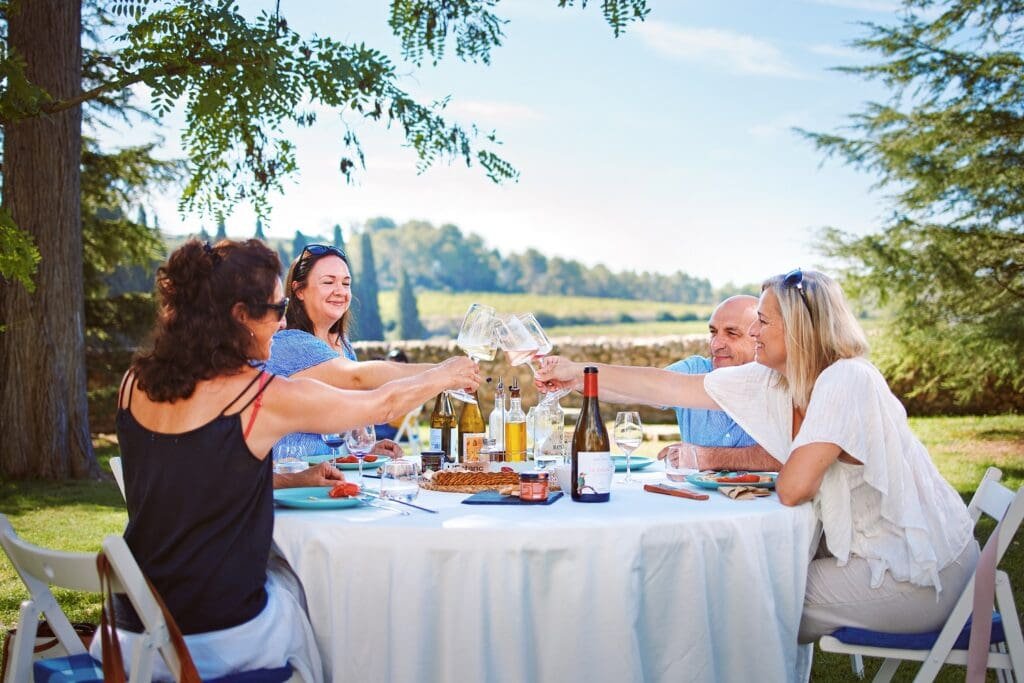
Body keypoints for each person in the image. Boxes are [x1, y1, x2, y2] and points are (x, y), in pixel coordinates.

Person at [97, 238, 479, 680]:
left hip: (126, 633)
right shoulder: (257, 398)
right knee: (329, 609)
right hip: (216, 635)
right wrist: (443, 374)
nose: (281, 326)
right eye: (276, 311)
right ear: (240, 316)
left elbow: (196, 470)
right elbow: (381, 407)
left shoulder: (134, 383)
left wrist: (298, 477)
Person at [537, 269, 976, 642]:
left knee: (733, 605)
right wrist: (578, 375)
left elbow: (793, 487)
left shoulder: (846, 381)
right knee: (721, 594)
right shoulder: (779, 380)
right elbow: (667, 387)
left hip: (914, 573)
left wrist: (788, 451)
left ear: (800, 329)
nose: (752, 333)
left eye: (762, 322)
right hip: (876, 560)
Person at [266, 244, 436, 487]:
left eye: (346, 283)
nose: (340, 291)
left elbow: (338, 423)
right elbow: (358, 378)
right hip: (292, 485)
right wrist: (445, 372)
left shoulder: (344, 347)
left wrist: (359, 449)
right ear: (299, 290)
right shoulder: (288, 342)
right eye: (328, 282)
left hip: (330, 480)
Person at [658, 294, 780, 472]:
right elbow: (639, 388)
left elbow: (787, 457)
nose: (715, 345)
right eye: (713, 332)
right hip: (699, 499)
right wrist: (602, 377)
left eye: (731, 333)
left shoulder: (779, 380)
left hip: (763, 498)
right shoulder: (695, 370)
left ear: (758, 336)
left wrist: (703, 456)